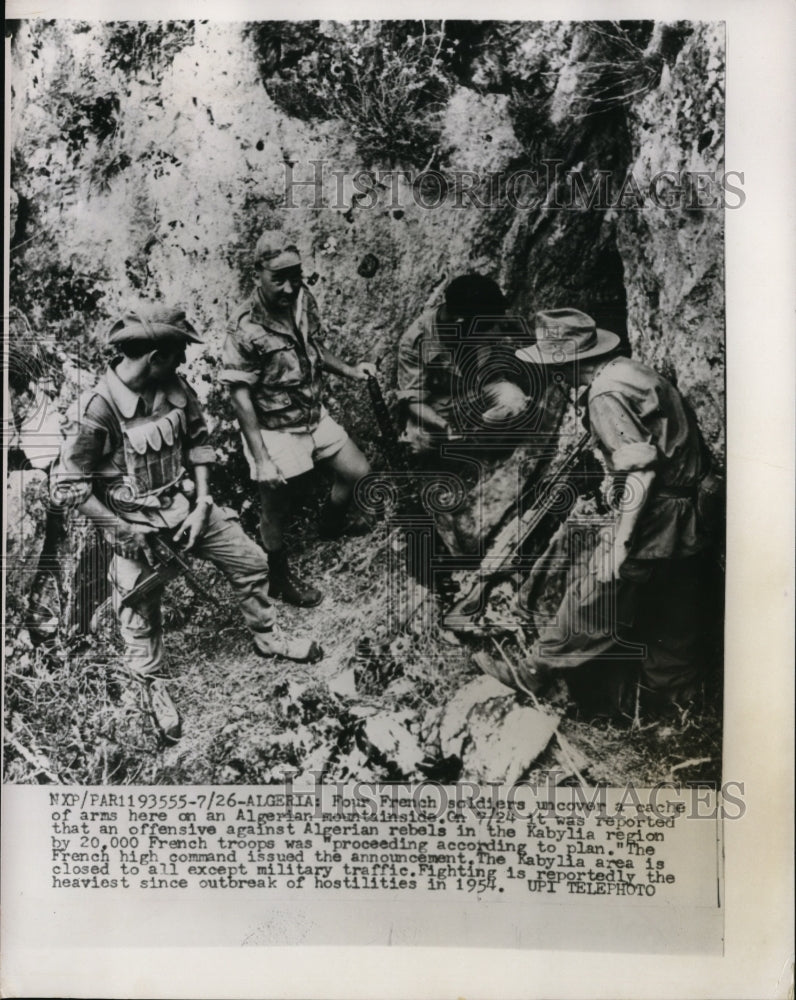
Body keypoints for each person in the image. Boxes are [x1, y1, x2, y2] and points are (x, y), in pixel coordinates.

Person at [51, 304, 322, 742]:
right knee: (138, 612)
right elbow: (68, 486)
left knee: (252, 562)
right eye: (178, 353)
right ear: (155, 356)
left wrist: (203, 503)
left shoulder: (173, 385)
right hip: (134, 526)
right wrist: (121, 530)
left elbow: (198, 442)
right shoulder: (96, 410)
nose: (184, 362)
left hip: (186, 508)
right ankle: (154, 686)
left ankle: (267, 636)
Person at [514, 307, 713, 711]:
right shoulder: (627, 370)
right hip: (694, 507)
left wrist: (620, 543)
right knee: (674, 611)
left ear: (565, 364)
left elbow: (640, 469)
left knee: (596, 597)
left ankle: (535, 671)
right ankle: (674, 702)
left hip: (659, 514)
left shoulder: (605, 395)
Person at [220, 231, 376, 608]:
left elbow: (315, 350)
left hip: (311, 415)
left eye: (296, 276)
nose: (290, 288)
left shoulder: (303, 300)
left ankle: (331, 523)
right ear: (257, 273)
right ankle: (278, 579)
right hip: (274, 429)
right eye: (280, 279)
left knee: (359, 473)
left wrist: (352, 371)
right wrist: (261, 459)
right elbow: (239, 395)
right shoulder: (245, 326)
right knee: (276, 509)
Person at [396, 274, 532, 458]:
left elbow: (522, 331)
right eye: (484, 327)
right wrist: (443, 426)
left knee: (514, 400)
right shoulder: (417, 340)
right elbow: (413, 401)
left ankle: (482, 450)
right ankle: (468, 446)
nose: (491, 328)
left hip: (482, 390)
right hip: (445, 406)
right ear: (459, 321)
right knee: (417, 440)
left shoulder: (485, 313)